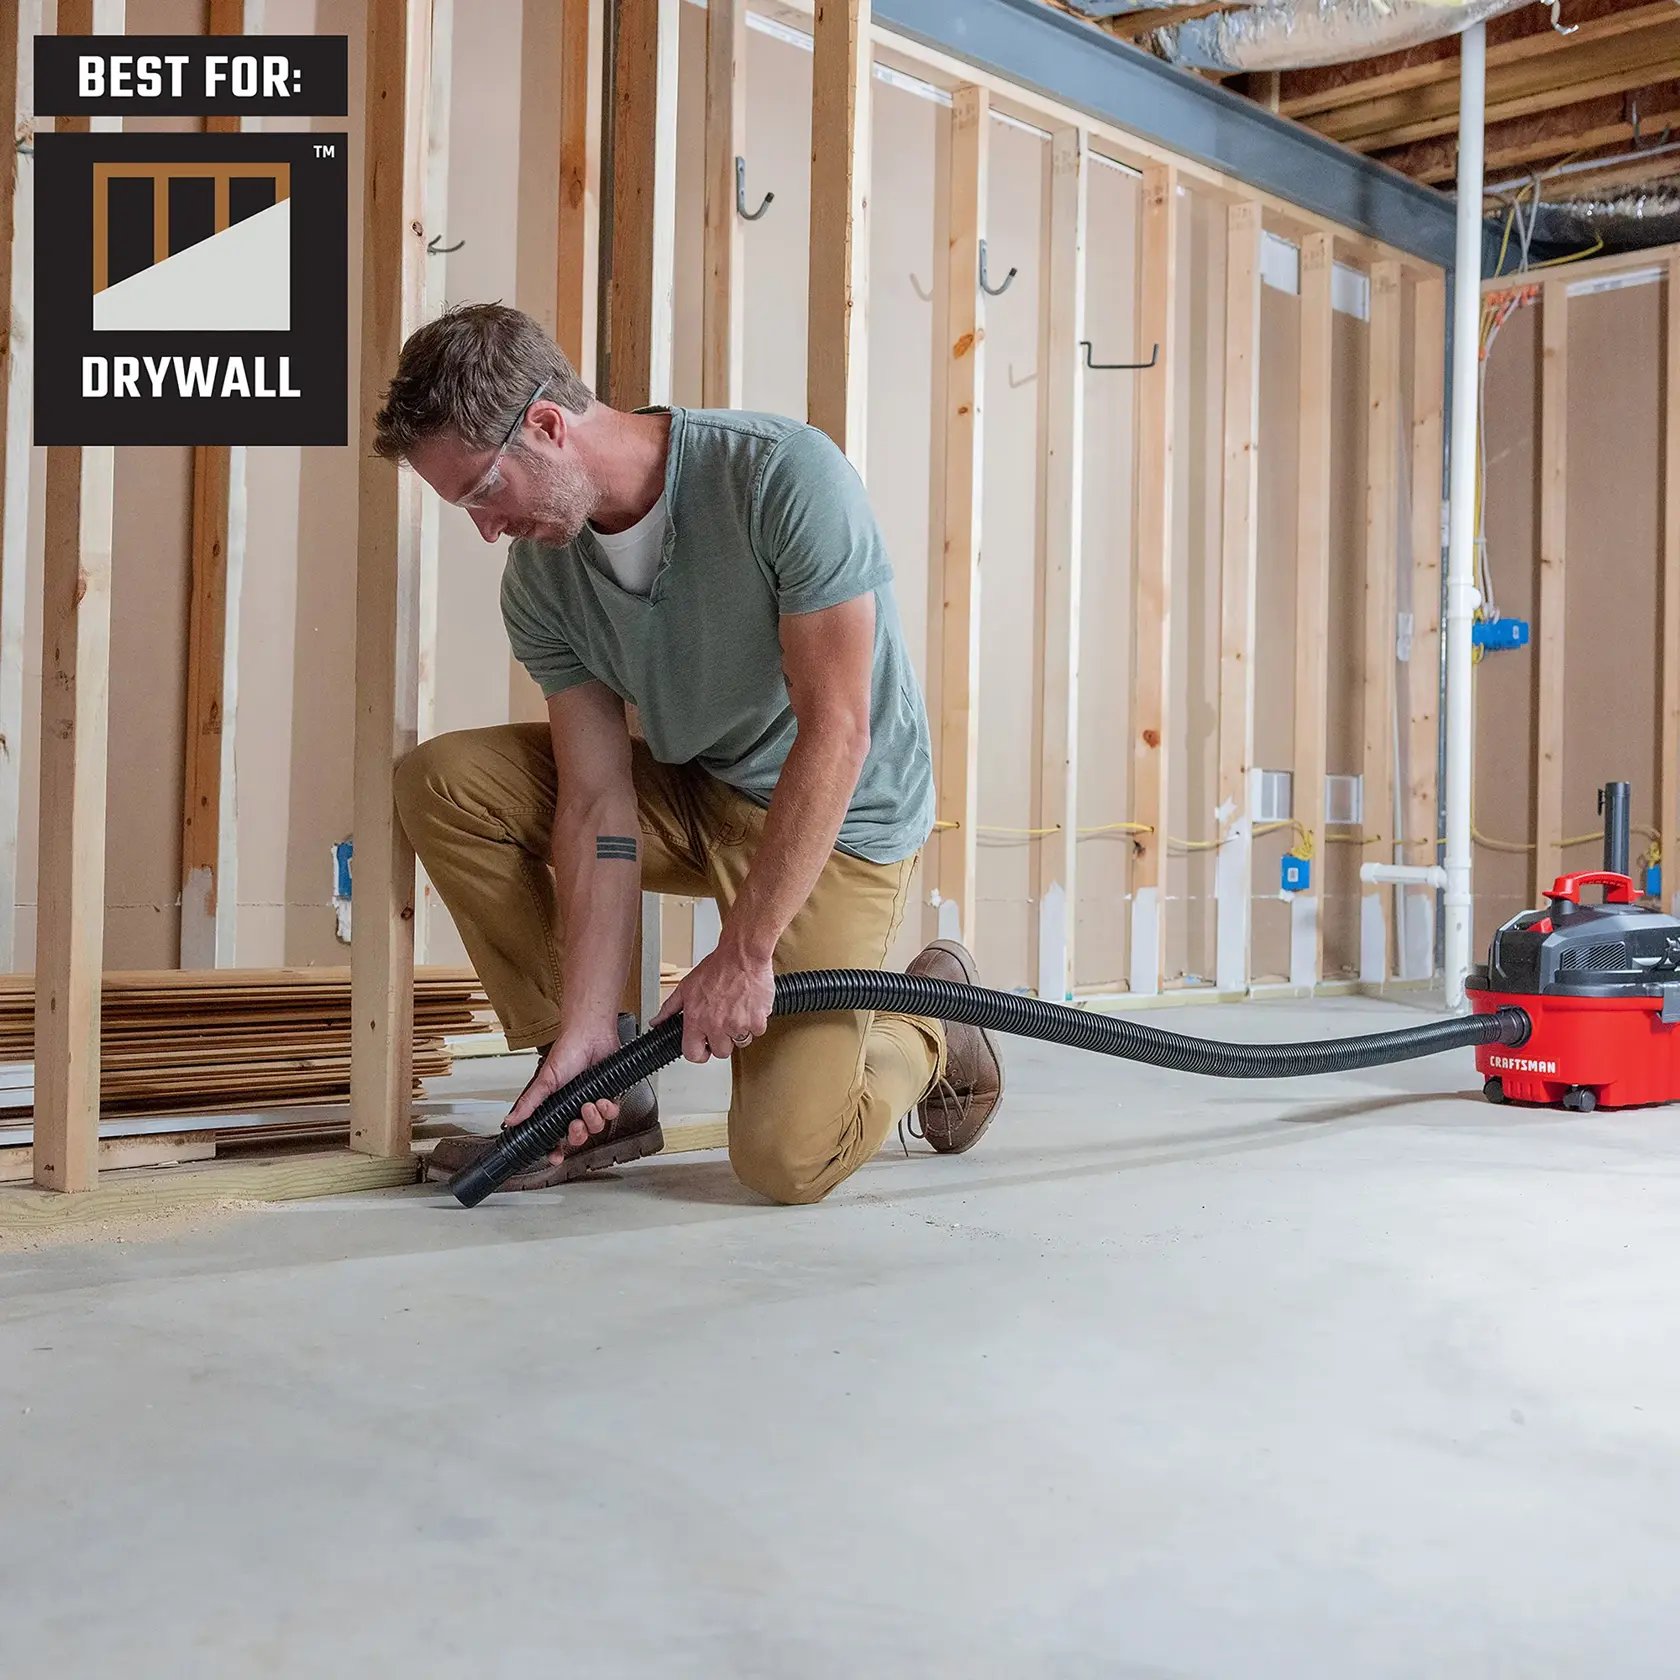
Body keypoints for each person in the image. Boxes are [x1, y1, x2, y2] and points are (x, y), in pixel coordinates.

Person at [373, 302, 1003, 1203]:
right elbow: (597, 804)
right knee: (446, 783)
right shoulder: (542, 583)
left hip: (839, 811)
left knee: (788, 1159)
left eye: (482, 492)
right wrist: (589, 1027)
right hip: (693, 785)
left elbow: (839, 731)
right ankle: (602, 1088)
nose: (484, 527)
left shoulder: (782, 477)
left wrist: (744, 953)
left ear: (546, 426)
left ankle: (932, 1018)